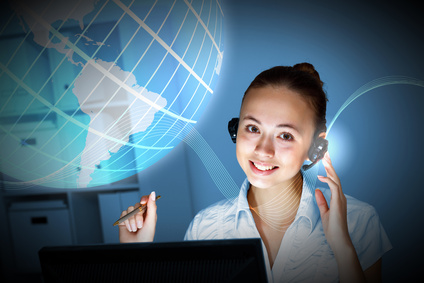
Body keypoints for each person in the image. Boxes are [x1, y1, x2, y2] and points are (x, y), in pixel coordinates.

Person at [118, 63, 392, 282]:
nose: (263, 150)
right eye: (253, 128)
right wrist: (135, 256)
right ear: (236, 131)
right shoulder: (205, 228)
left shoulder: (359, 222)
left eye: (285, 135)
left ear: (316, 147)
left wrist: (342, 248)